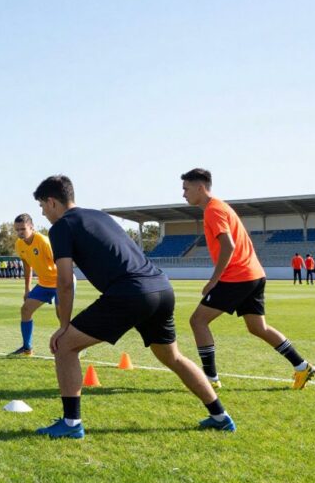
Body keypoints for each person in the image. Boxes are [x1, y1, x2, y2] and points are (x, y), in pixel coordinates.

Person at [32, 175, 234, 439]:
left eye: (43, 207)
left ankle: (71, 424)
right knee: (172, 356)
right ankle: (220, 416)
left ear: (52, 201)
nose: (44, 213)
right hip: (161, 287)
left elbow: (65, 282)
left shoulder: (60, 227)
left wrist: (63, 327)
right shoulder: (100, 216)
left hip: (131, 292)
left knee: (65, 346)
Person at [182, 168, 315, 390]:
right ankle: (302, 366)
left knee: (198, 321)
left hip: (237, 276)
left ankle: (211, 379)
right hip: (254, 275)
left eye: (186, 188)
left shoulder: (213, 211)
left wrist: (214, 279)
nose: (183, 194)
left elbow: (228, 246)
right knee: (257, 327)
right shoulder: (221, 207)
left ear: (200, 187)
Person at [11, 213, 59, 356]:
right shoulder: (19, 244)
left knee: (62, 316)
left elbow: (60, 262)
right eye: (17, 230)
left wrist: (64, 286)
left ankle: (71, 347)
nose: (19, 233)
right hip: (44, 284)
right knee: (25, 310)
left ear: (32, 227)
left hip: (60, 282)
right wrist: (27, 289)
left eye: (23, 229)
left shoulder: (43, 241)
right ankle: (27, 348)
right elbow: (27, 266)